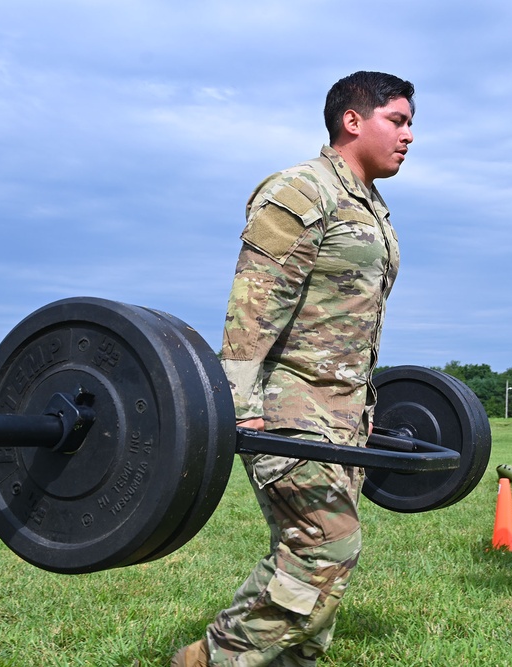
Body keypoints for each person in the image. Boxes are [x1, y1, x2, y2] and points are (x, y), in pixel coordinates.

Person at [172, 71, 415, 667]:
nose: (410, 136)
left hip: (345, 414)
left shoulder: (371, 205)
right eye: (398, 120)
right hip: (288, 407)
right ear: (352, 121)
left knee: (315, 562)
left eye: (411, 124)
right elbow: (256, 303)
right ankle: (211, 657)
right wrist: (243, 409)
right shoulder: (301, 191)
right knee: (326, 546)